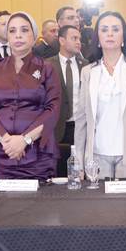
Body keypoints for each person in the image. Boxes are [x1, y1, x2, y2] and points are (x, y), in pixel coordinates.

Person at [73, 11, 126, 179]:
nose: (110, 34)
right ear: (98, 38)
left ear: (123, 36)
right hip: (96, 157)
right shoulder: (88, 72)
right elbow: (81, 121)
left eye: (115, 29)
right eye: (104, 30)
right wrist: (79, 163)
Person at [0, 12, 61, 180]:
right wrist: (6, 140)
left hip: (37, 154)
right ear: (7, 36)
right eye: (12, 31)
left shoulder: (47, 68)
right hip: (3, 152)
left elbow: (53, 109)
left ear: (34, 36)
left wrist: (24, 140)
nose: (18, 35)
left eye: (24, 30)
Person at [48, 24, 84, 174]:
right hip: (57, 128)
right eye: (74, 38)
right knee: (58, 171)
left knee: (79, 170)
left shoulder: (86, 66)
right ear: (62, 41)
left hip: (80, 126)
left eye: (79, 39)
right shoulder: (47, 65)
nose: (78, 42)